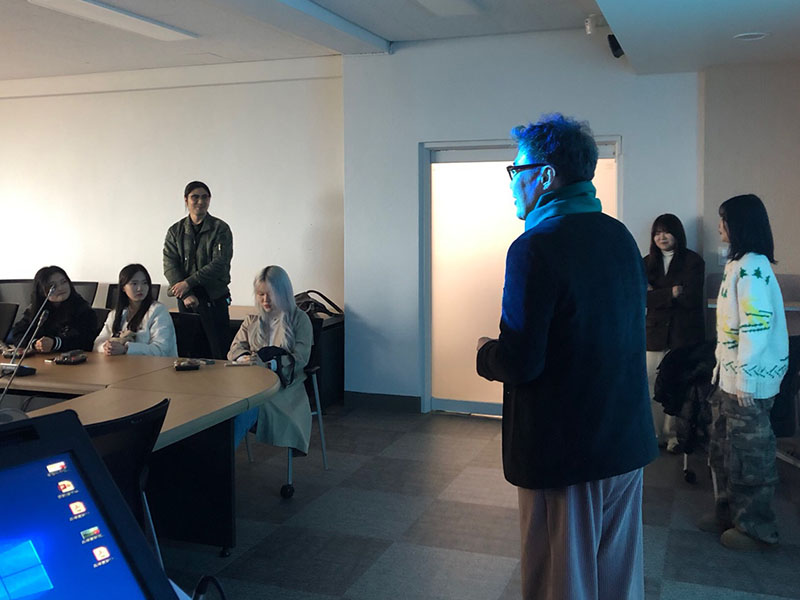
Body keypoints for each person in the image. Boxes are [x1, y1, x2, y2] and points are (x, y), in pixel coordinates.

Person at [476, 113, 657, 600]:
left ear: (546, 175)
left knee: (562, 580)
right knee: (617, 579)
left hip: (567, 451)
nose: (511, 183)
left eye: (517, 170)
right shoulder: (619, 236)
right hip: (625, 441)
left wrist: (485, 353)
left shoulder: (535, 246)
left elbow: (521, 361)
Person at [699, 194, 788, 551]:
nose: (720, 226)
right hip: (730, 379)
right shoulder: (737, 264)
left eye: (724, 219)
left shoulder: (754, 266)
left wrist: (747, 378)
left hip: (748, 384)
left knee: (750, 457)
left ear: (740, 224)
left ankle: (757, 529)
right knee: (723, 449)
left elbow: (756, 324)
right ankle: (728, 514)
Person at [227, 266, 313, 453]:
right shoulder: (252, 320)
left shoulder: (300, 320)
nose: (265, 300)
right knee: (224, 408)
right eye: (261, 294)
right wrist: (244, 358)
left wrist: (268, 365)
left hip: (283, 389)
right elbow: (235, 348)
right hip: (251, 383)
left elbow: (300, 358)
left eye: (270, 294)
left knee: (244, 410)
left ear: (283, 293)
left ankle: (221, 461)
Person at [644, 214, 706, 451]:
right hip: (654, 334)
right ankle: (653, 434)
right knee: (651, 383)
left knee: (677, 385)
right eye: (657, 233)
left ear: (677, 234)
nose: (662, 237)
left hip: (683, 333)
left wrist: (658, 294)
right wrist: (671, 292)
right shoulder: (646, 262)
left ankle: (674, 436)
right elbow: (642, 297)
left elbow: (691, 298)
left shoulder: (693, 261)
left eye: (666, 232)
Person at [163, 181, 233, 359]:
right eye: (195, 197)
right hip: (186, 300)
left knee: (218, 352)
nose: (200, 201)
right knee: (189, 352)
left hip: (214, 297)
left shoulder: (220, 229)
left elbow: (220, 263)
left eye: (204, 197)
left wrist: (188, 283)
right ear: (186, 200)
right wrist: (186, 294)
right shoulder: (175, 231)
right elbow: (170, 264)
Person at [93, 264, 177, 357]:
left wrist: (126, 349)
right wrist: (106, 347)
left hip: (154, 365)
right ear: (123, 287)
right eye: (134, 284)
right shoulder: (115, 313)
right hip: (120, 364)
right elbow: (98, 343)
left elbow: (161, 349)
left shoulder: (158, 311)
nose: (140, 288)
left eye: (144, 283)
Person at [10, 265, 96, 353]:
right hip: (41, 359)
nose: (61, 288)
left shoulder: (83, 309)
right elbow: (18, 334)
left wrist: (55, 343)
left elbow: (86, 341)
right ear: (41, 291)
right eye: (52, 286)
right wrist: (35, 344)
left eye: (64, 282)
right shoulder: (37, 309)